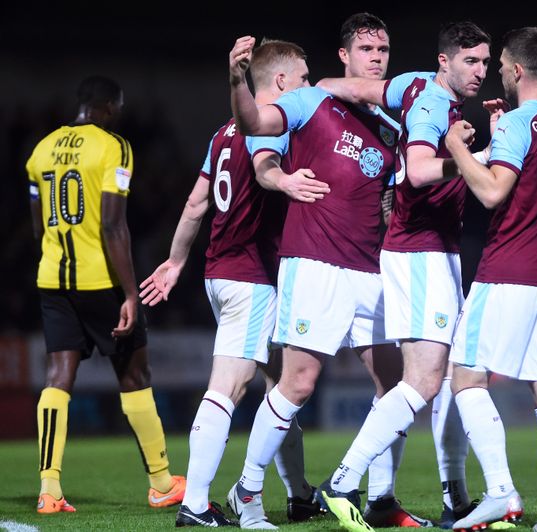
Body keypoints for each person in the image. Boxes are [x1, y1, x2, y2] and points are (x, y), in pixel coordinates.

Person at [224, 15, 415, 530]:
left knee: (396, 385)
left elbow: (391, 201)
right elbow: (254, 125)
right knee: (299, 384)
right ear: (344, 56)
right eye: (367, 49)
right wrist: (239, 79)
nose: (377, 57)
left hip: (370, 269)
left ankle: (381, 498)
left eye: (384, 48)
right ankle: (246, 492)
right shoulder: (312, 100)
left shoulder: (390, 127)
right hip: (314, 263)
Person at [138, 38, 327, 528]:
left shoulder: (223, 132)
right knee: (229, 387)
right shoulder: (272, 131)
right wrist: (285, 181)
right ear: (281, 81)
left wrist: (176, 261)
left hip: (222, 272)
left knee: (284, 388)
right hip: (251, 276)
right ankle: (195, 503)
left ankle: (300, 493)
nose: (307, 87)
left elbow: (197, 203)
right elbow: (267, 175)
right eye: (304, 78)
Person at [314, 21, 492, 531]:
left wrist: (320, 92)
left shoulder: (411, 84)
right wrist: (473, 156)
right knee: (424, 380)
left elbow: (340, 86)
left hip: (437, 251)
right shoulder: (434, 103)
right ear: (445, 61)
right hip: (418, 252)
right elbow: (417, 171)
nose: (480, 72)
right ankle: (343, 482)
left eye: (484, 61)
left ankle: (454, 500)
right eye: (470, 62)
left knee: (453, 377)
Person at [443, 26, 537, 532]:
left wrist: (457, 148)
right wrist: (508, 131)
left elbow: (492, 192)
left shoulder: (516, 125)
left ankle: (501, 491)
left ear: (519, 70)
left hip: (509, 271)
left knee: (466, 377)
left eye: (501, 64)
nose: (497, 72)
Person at [26, 75, 185, 514]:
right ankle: (160, 482)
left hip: (53, 280)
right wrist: (131, 294)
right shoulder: (114, 147)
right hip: (102, 282)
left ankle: (49, 489)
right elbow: (113, 225)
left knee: (58, 379)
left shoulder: (39, 152)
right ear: (110, 107)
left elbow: (39, 228)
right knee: (134, 377)